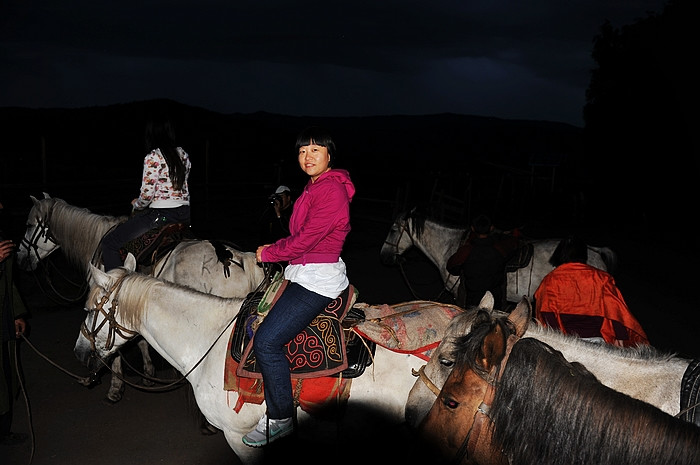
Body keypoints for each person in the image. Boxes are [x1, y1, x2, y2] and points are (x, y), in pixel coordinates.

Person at [242, 126, 355, 447]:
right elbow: (302, 234)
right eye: (302, 151)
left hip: (318, 278)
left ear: (330, 155)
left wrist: (270, 251)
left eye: (315, 150)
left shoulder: (330, 190)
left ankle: (280, 419)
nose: (307, 156)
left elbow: (307, 239)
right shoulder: (314, 186)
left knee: (266, 341)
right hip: (302, 271)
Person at [101, 110, 191, 271]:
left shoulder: (153, 157)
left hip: (161, 216)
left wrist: (138, 204)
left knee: (109, 243)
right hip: (184, 213)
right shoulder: (183, 154)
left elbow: (147, 194)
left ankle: (114, 289)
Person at [533, 235, 649, 347]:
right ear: (584, 254)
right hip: (599, 342)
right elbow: (615, 309)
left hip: (567, 343)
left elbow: (546, 315)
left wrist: (559, 341)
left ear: (560, 254)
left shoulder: (550, 280)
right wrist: (620, 337)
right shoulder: (601, 278)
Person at [446, 214, 520, 309]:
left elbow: (451, 268)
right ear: (492, 228)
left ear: (472, 228)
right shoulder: (500, 249)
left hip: (472, 303)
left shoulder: (466, 251)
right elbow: (513, 247)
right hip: (494, 303)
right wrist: (515, 236)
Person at [0, 201, 29, 446]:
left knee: (6, 378)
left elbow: (8, 282)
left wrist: (17, 313)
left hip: (3, 320)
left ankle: (3, 432)